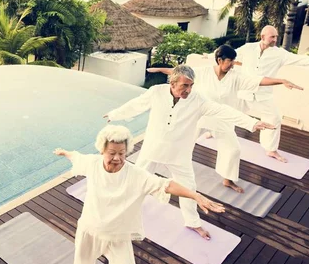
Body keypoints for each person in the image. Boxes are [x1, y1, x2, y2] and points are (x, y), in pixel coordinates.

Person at [54, 125, 224, 264]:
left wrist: (195, 195)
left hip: (118, 235)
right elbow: (77, 157)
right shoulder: (92, 163)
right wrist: (65, 152)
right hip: (90, 228)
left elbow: (165, 185)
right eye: (112, 153)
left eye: (122, 153)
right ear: (102, 150)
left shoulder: (135, 174)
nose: (117, 158)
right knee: (82, 259)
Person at [104, 65, 274, 239]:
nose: (189, 89)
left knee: (189, 189)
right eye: (185, 85)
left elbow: (222, 111)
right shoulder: (156, 92)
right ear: (173, 82)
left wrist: (252, 123)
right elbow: (136, 105)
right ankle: (123, 211)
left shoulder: (197, 100)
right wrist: (115, 114)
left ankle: (193, 223)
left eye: (191, 85)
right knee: (136, 181)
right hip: (153, 148)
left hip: (179, 154)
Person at [147, 45, 303, 193]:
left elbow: (259, 80)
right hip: (199, 115)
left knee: (233, 149)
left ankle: (227, 180)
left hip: (222, 118)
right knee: (184, 144)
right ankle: (171, 169)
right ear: (220, 60)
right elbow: (179, 74)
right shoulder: (203, 72)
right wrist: (159, 69)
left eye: (234, 61)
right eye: (230, 61)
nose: (232, 65)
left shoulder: (236, 77)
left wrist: (281, 81)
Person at [235, 25, 309, 162]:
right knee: (228, 110)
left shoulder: (280, 54)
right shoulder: (248, 48)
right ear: (262, 37)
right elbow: (230, 54)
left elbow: (302, 60)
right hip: (243, 91)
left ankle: (271, 150)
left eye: (276, 36)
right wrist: (209, 56)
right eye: (272, 37)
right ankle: (213, 131)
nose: (275, 39)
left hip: (263, 94)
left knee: (274, 119)